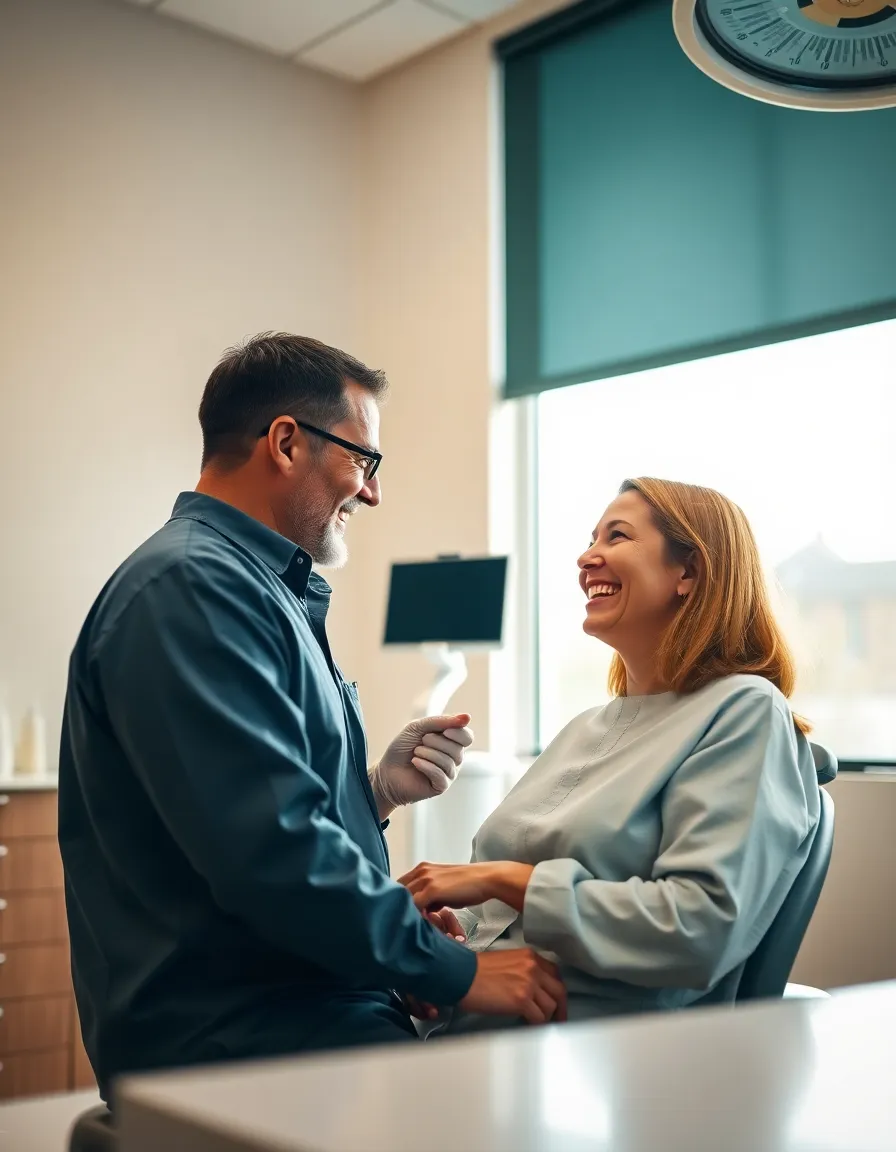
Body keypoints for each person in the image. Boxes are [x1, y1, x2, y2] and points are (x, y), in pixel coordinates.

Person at [58, 333, 565, 1101]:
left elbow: (262, 815)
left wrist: (374, 798)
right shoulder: (195, 589)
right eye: (364, 461)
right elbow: (272, 852)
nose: (372, 492)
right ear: (287, 442)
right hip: (249, 1040)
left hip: (296, 1008)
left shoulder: (258, 592)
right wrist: (457, 974)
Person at [400, 477, 821, 1031]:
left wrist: (505, 880)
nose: (586, 557)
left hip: (585, 1058)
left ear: (688, 573)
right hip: (471, 1029)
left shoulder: (744, 710)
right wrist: (441, 959)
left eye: (616, 537)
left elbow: (698, 928)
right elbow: (496, 923)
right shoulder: (585, 727)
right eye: (590, 538)